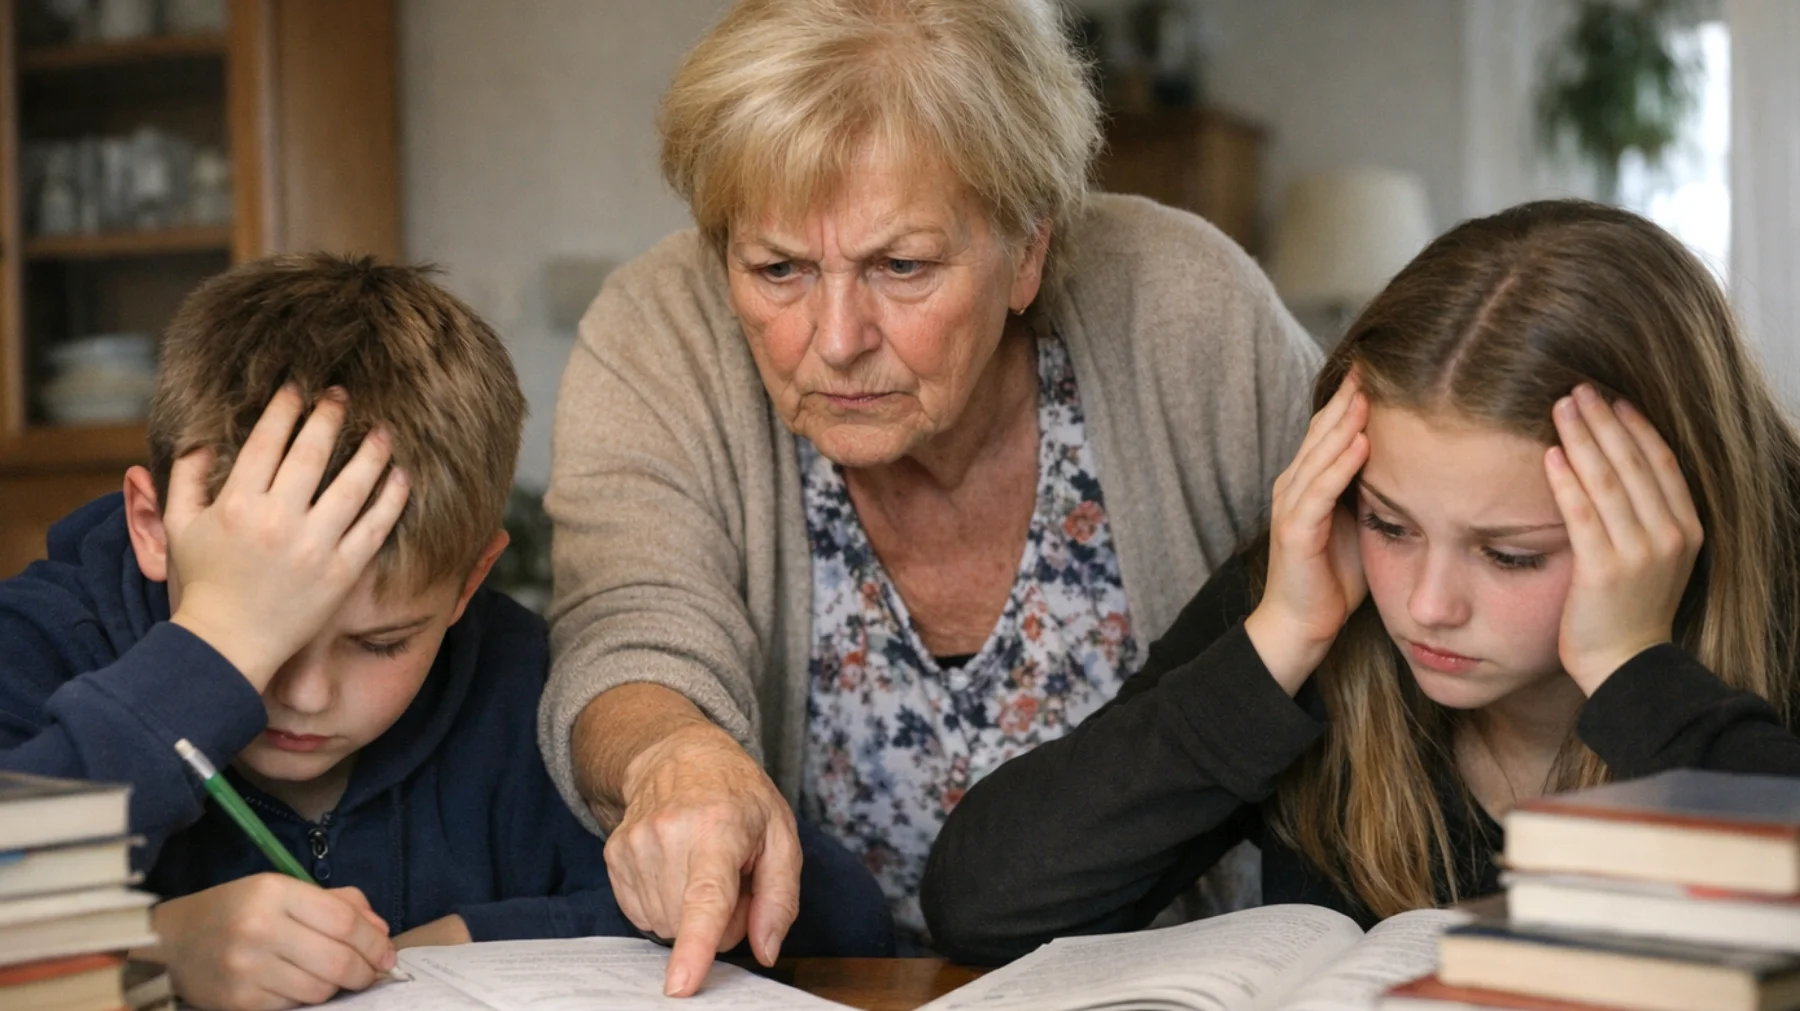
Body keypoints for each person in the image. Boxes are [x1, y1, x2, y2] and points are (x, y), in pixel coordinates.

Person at [542, 0, 1319, 989]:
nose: (836, 341)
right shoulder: (660, 333)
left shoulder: (1187, 309)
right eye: (777, 268)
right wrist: (672, 756)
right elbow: (627, 623)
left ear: (1027, 250)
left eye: (901, 265)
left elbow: (1360, 607)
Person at [921, 199, 1800, 964]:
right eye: (1390, 523)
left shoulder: (1779, 597)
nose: (1426, 605)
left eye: (1511, 554)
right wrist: (1278, 642)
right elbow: (983, 906)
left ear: (1666, 519)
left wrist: (1634, 669)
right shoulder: (1319, 588)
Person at [0, 254, 883, 1011]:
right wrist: (155, 958)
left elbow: (832, 917)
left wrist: (463, 941)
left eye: (380, 643)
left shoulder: (515, 682)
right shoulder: (46, 643)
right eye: (258, 639)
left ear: (467, 582)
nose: (304, 693)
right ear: (153, 526)